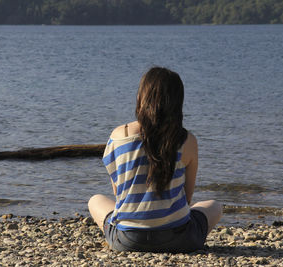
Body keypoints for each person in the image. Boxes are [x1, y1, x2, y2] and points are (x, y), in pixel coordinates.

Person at [88, 67, 222, 253]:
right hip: (179, 239)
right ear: (177, 102)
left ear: (142, 97)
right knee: (215, 206)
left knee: (95, 200)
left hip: (128, 240)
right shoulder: (187, 140)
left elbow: (120, 194)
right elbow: (188, 198)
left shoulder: (119, 135)